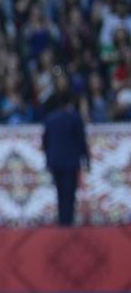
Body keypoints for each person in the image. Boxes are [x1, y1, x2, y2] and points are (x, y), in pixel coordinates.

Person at [42, 88, 90, 226]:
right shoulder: (75, 118)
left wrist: (48, 159)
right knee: (69, 193)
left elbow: (45, 141)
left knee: (60, 193)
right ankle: (67, 222)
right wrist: (86, 159)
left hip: (55, 161)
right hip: (70, 162)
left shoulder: (50, 119)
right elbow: (81, 141)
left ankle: (62, 220)